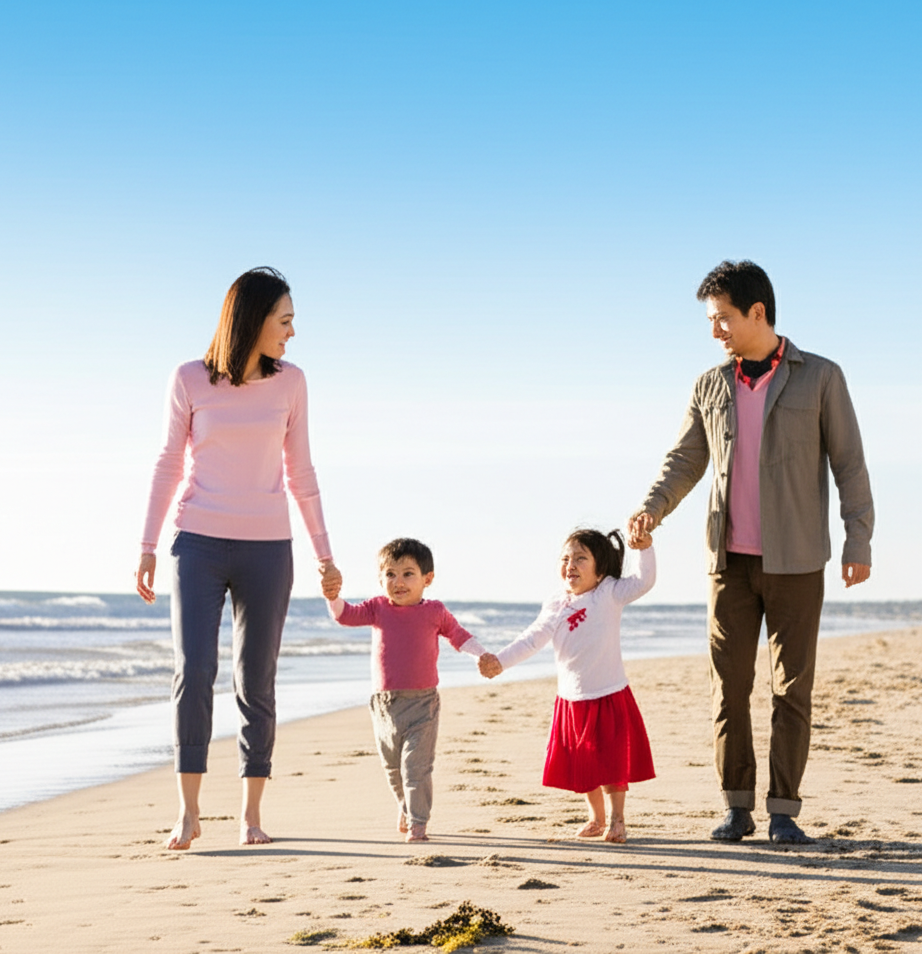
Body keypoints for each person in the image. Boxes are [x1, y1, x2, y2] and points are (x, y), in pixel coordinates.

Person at [628, 259, 874, 845]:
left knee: (791, 691)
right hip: (728, 564)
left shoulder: (822, 377)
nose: (715, 330)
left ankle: (784, 811)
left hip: (798, 561)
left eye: (722, 318)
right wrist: (652, 508)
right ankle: (737, 807)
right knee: (729, 689)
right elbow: (685, 460)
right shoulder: (709, 385)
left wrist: (858, 539)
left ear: (757, 312)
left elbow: (849, 464)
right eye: (711, 320)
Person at [136, 267, 340, 850]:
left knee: (256, 679)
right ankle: (189, 812)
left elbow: (301, 472)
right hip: (197, 543)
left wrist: (325, 555)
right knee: (193, 671)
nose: (292, 332)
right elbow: (168, 463)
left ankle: (251, 815)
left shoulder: (292, 383)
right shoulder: (189, 378)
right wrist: (147, 546)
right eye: (285, 320)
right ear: (253, 320)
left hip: (269, 550)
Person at [479, 527, 656, 844]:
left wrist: (645, 548)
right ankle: (596, 818)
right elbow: (531, 640)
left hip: (609, 694)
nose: (570, 565)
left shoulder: (608, 593)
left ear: (600, 570)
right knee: (583, 763)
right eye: (565, 558)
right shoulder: (556, 603)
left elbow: (644, 581)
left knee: (612, 763)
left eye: (580, 558)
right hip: (572, 699)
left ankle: (617, 819)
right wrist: (500, 662)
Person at [321, 538, 489, 842]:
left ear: (427, 579)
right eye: (390, 574)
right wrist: (333, 597)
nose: (398, 582)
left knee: (416, 767)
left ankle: (418, 823)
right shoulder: (377, 608)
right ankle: (406, 806)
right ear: (380, 579)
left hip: (423, 703)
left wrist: (482, 655)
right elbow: (345, 616)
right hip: (384, 705)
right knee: (392, 768)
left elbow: (458, 635)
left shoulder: (435, 611)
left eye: (408, 574)